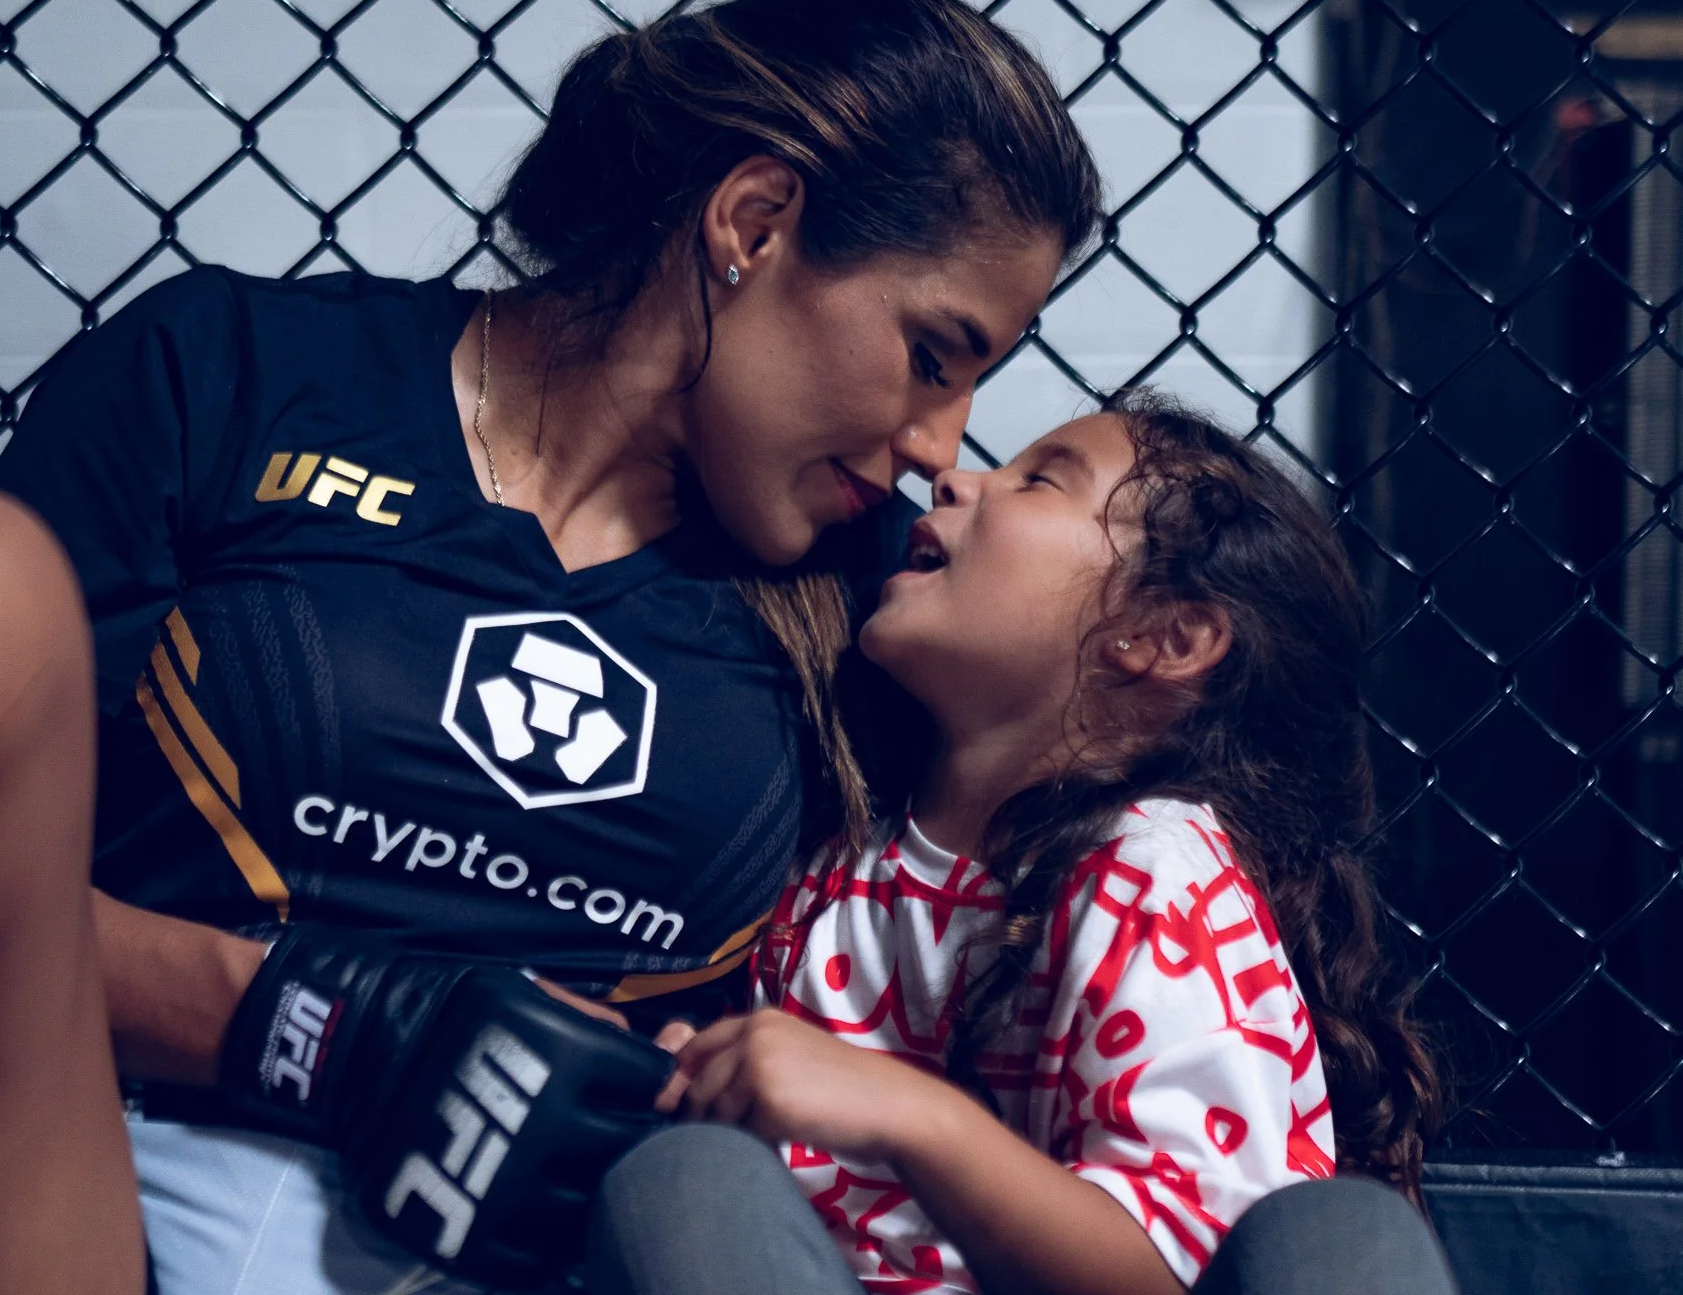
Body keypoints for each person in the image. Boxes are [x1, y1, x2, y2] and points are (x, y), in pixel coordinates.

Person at [0, 0, 1100, 1294]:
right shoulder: (231, 375)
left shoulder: (885, 606)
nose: (938, 441)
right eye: (930, 354)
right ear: (755, 222)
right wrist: (321, 1020)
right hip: (66, 1199)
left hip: (537, 1259)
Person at [586, 396, 1459, 1295]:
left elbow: (1173, 1272)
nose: (954, 475)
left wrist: (914, 1118)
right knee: (681, 1179)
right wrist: (707, 1078)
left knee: (1343, 1232)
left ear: (1164, 636)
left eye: (1039, 479)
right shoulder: (839, 862)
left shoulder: (1153, 871)